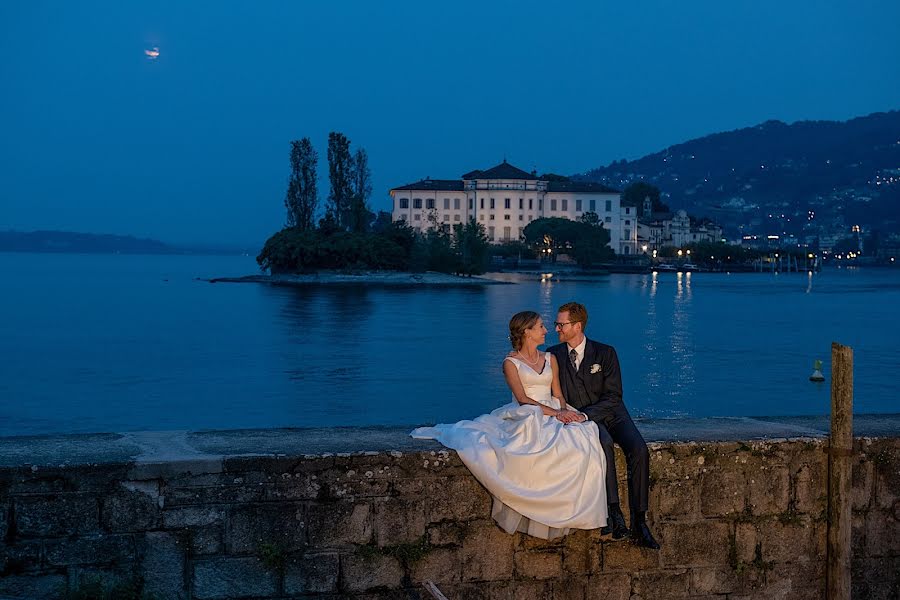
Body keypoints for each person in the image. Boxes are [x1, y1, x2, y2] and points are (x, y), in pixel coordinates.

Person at [411, 311, 607, 539]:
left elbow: (558, 393)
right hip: (528, 411)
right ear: (527, 332)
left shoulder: (550, 358)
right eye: (541, 326)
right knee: (527, 442)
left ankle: (573, 509)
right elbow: (523, 398)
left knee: (582, 438)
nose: (546, 330)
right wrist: (553, 413)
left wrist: (563, 412)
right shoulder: (510, 363)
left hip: (554, 408)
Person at [547, 301, 659, 549]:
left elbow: (613, 395)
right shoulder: (553, 354)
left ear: (577, 326)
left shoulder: (606, 353)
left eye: (561, 324)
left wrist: (585, 415)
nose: (556, 328)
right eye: (557, 324)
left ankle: (640, 521)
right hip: (582, 419)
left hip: (613, 414)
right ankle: (614, 513)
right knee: (603, 445)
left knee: (639, 449)